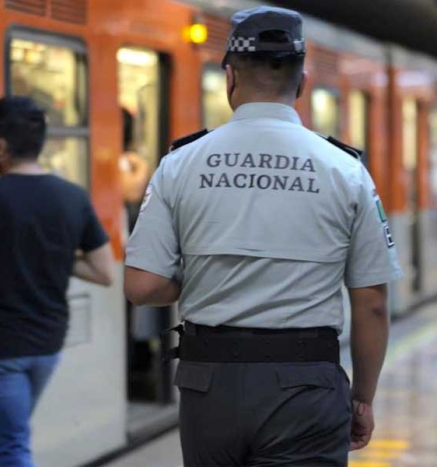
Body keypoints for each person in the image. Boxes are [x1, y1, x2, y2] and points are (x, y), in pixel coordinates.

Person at [124, 6, 402, 467]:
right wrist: (362, 399)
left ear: (230, 77)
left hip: (208, 384)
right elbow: (372, 300)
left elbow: (143, 286)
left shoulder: (180, 164)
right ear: (303, 81)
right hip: (306, 386)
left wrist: (205, 276)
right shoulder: (345, 170)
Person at [0, 96, 114, 466]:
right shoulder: (72, 197)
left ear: (1, 146)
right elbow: (104, 273)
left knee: (11, 449)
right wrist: (54, 254)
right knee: (14, 437)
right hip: (47, 345)